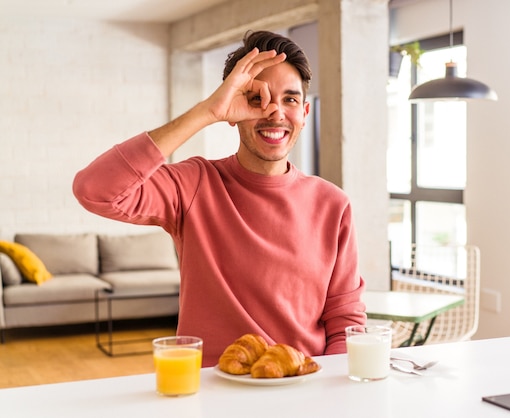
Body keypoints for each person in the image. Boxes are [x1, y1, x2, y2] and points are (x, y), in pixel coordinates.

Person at [73, 30, 366, 367]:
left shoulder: (333, 204)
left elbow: (345, 319)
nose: (275, 113)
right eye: (257, 99)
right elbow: (94, 190)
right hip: (211, 391)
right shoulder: (195, 184)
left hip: (303, 387)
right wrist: (206, 113)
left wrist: (332, 393)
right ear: (232, 108)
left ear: (305, 111)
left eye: (290, 99)